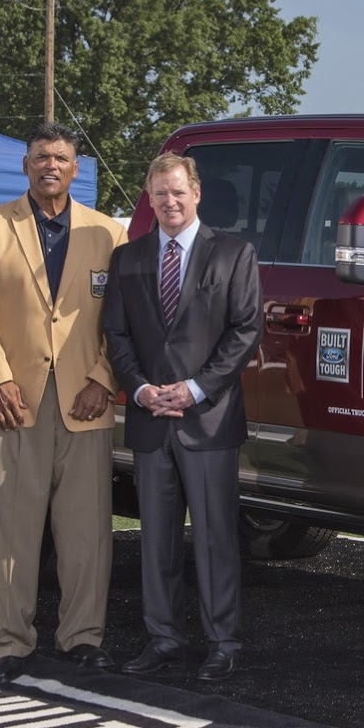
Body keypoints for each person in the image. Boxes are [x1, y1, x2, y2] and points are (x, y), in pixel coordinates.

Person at [0, 122, 127, 685]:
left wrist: (104, 378)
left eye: (60, 157)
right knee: (14, 529)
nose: (50, 165)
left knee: (87, 532)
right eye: (39, 157)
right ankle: (13, 641)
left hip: (86, 404)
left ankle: (83, 637)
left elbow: (120, 324)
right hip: (12, 403)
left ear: (76, 169)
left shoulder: (108, 233)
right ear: (25, 165)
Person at [103, 154, 262, 682]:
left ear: (196, 193)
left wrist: (193, 390)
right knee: (157, 539)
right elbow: (117, 336)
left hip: (209, 420)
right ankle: (164, 638)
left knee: (215, 537)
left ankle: (223, 642)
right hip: (150, 418)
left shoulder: (234, 255)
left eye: (178, 192)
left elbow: (244, 332)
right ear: (149, 199)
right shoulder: (128, 259)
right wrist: (144, 389)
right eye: (159, 194)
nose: (169, 202)